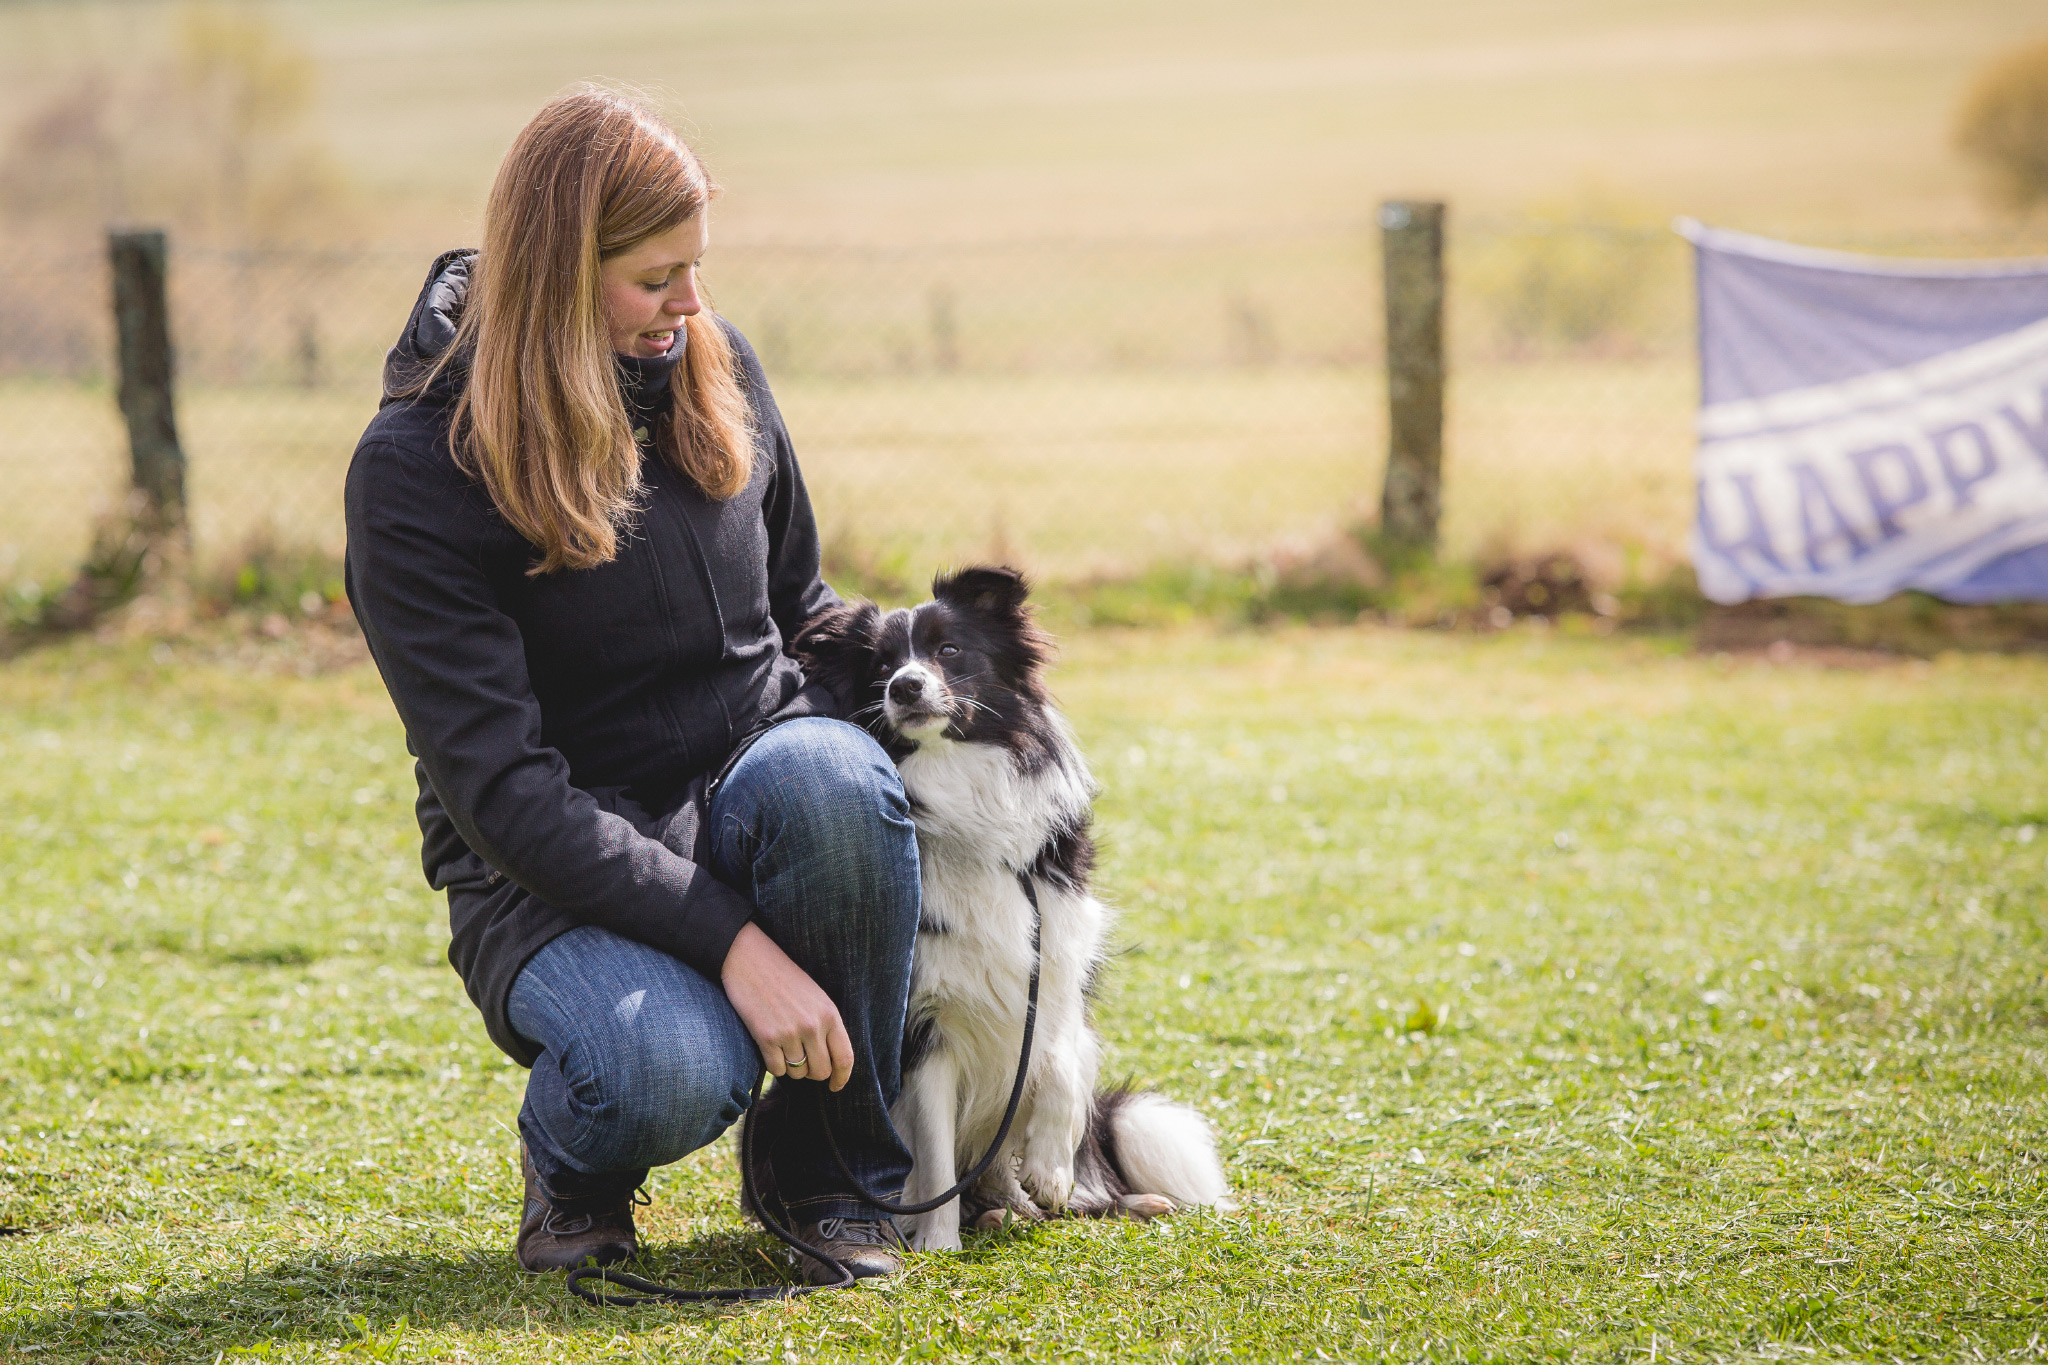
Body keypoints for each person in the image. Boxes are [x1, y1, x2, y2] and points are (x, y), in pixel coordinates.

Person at [342, 86, 919, 1283]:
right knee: (667, 1072)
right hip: (545, 871)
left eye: (696, 268)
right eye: (657, 279)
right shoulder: (413, 473)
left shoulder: (717, 364)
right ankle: (574, 1173)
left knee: (834, 778)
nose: (692, 306)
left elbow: (800, 610)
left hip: (748, 792)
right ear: (558, 271)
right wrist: (737, 945)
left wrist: (946, 690)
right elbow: (503, 793)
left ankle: (828, 1176)